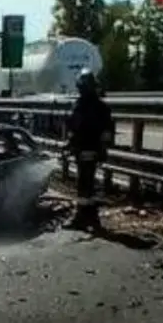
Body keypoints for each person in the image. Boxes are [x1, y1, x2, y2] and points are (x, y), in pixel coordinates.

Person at [65, 68, 114, 231]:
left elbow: (72, 127)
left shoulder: (80, 105)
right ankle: (91, 217)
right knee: (88, 181)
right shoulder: (101, 107)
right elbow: (106, 131)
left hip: (85, 148)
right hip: (89, 149)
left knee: (84, 183)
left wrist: (70, 143)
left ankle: (83, 216)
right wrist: (102, 148)